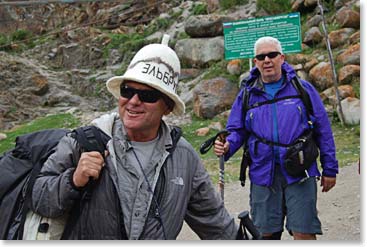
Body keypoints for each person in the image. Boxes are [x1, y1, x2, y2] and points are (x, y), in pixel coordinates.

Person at [30, 35, 237, 240]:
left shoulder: (184, 156)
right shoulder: (83, 142)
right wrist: (74, 180)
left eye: (148, 95)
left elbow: (213, 220)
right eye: (127, 91)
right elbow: (38, 197)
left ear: (167, 107)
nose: (133, 101)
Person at [214, 36, 338, 240]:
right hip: (263, 173)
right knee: (265, 234)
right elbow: (236, 130)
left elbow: (322, 129)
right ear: (255, 62)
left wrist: (330, 168)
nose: (267, 60)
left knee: (304, 233)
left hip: (300, 170)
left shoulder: (302, 89)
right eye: (261, 57)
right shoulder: (247, 94)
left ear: (282, 58)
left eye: (272, 55)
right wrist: (228, 146)